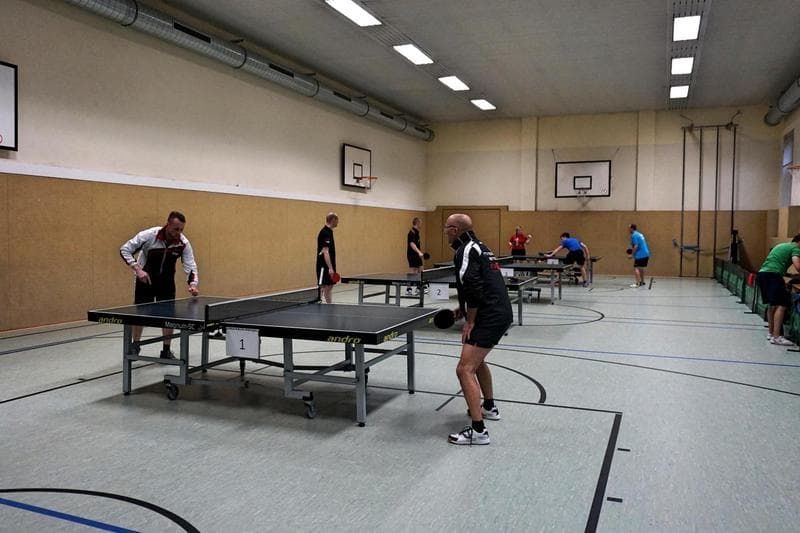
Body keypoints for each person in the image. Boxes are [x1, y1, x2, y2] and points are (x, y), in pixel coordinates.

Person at [445, 214, 513, 445]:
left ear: (455, 230)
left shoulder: (464, 250)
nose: (445, 232)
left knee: (464, 369)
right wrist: (463, 309)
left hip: (489, 316)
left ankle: (478, 431)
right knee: (477, 361)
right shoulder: (481, 247)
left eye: (447, 228)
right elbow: (480, 285)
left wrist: (470, 321)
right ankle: (489, 407)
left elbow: (473, 286)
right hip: (498, 311)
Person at [119, 211, 199, 359]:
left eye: (181, 229)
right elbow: (125, 249)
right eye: (176, 229)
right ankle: (136, 345)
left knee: (168, 317)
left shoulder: (183, 243)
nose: (178, 233)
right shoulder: (149, 236)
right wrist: (138, 270)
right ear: (168, 224)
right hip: (145, 281)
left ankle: (166, 350)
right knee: (140, 315)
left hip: (166, 283)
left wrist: (193, 284)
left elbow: (190, 265)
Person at [756, 234, 800, 346]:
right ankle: (777, 337)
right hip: (773, 275)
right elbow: (797, 265)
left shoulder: (781, 245)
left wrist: (789, 275)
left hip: (762, 274)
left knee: (772, 305)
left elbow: (775, 263)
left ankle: (771, 334)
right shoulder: (796, 248)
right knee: (782, 305)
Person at [317, 212, 339, 303]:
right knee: (324, 286)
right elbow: (325, 252)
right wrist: (330, 268)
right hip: (323, 266)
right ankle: (325, 306)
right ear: (333, 220)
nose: (338, 222)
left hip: (328, 265)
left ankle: (328, 306)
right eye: (337, 220)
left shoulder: (329, 232)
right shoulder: (325, 233)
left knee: (328, 286)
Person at [406, 217, 425, 295]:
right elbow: (411, 243)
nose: (421, 224)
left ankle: (418, 287)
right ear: (417, 223)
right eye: (421, 223)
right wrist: (419, 252)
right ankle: (408, 289)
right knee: (413, 271)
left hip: (416, 254)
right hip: (412, 254)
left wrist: (419, 253)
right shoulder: (412, 232)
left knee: (420, 269)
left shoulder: (417, 232)